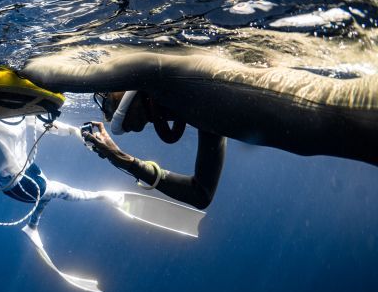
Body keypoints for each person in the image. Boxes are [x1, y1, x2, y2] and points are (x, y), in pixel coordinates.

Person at [19, 45, 378, 208]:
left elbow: (43, 72)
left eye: (104, 95)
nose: (103, 101)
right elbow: (201, 194)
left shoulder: (161, 68)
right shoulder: (202, 114)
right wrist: (122, 160)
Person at [0, 116, 108, 230]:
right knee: (59, 191)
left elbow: (47, 124)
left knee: (47, 192)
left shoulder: (19, 111)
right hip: (16, 183)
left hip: (28, 168)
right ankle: (99, 196)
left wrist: (76, 131)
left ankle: (32, 226)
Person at [82, 90, 226, 209]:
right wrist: (126, 161)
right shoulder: (204, 111)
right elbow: (200, 194)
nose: (108, 116)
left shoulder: (204, 97)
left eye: (107, 99)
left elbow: (201, 195)